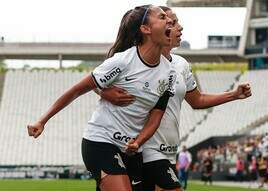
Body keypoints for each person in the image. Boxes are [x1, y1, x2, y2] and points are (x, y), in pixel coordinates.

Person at [97, 6, 252, 191]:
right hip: (147, 150)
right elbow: (96, 82)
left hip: (169, 152)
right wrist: (104, 92)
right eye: (172, 21)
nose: (179, 27)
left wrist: (233, 94)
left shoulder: (180, 64)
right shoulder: (135, 61)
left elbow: (197, 100)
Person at [27, 5, 175, 191]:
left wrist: (138, 141)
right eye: (162, 17)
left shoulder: (169, 73)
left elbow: (156, 116)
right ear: (145, 29)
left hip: (131, 149)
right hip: (100, 141)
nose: (170, 20)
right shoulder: (122, 61)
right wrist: (42, 121)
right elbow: (76, 90)